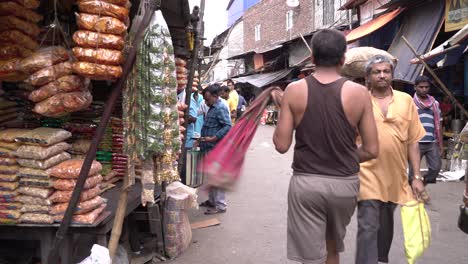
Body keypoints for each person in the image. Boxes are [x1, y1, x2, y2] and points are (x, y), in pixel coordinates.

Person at [272, 29, 379, 264]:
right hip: (345, 185)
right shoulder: (360, 93)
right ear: (343, 58)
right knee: (333, 249)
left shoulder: (294, 91)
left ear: (312, 59)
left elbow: (281, 145)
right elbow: (372, 149)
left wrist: (282, 106)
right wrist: (343, 155)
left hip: (307, 184)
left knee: (311, 257)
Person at [356, 55, 427, 264]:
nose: (382, 75)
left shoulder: (406, 100)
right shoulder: (360, 100)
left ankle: (381, 259)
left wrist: (416, 177)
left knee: (385, 225)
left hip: (395, 176)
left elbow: (413, 141)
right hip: (366, 174)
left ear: (392, 75)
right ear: (367, 77)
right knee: (368, 224)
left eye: (386, 71)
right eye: (376, 72)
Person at [198, 84, 232, 214]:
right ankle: (212, 201)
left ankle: (220, 206)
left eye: (207, 99)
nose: (206, 102)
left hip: (216, 148)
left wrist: (214, 138)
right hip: (209, 148)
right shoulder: (212, 107)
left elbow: (227, 126)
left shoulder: (220, 108)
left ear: (215, 96)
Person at [409, 75, 442, 184]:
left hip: (431, 142)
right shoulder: (410, 103)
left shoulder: (435, 104)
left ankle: (423, 183)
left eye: (426, 87)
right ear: (415, 87)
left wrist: (440, 143)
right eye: (421, 87)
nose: (424, 89)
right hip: (415, 142)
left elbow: (438, 123)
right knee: (414, 171)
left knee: (435, 168)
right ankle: (412, 192)